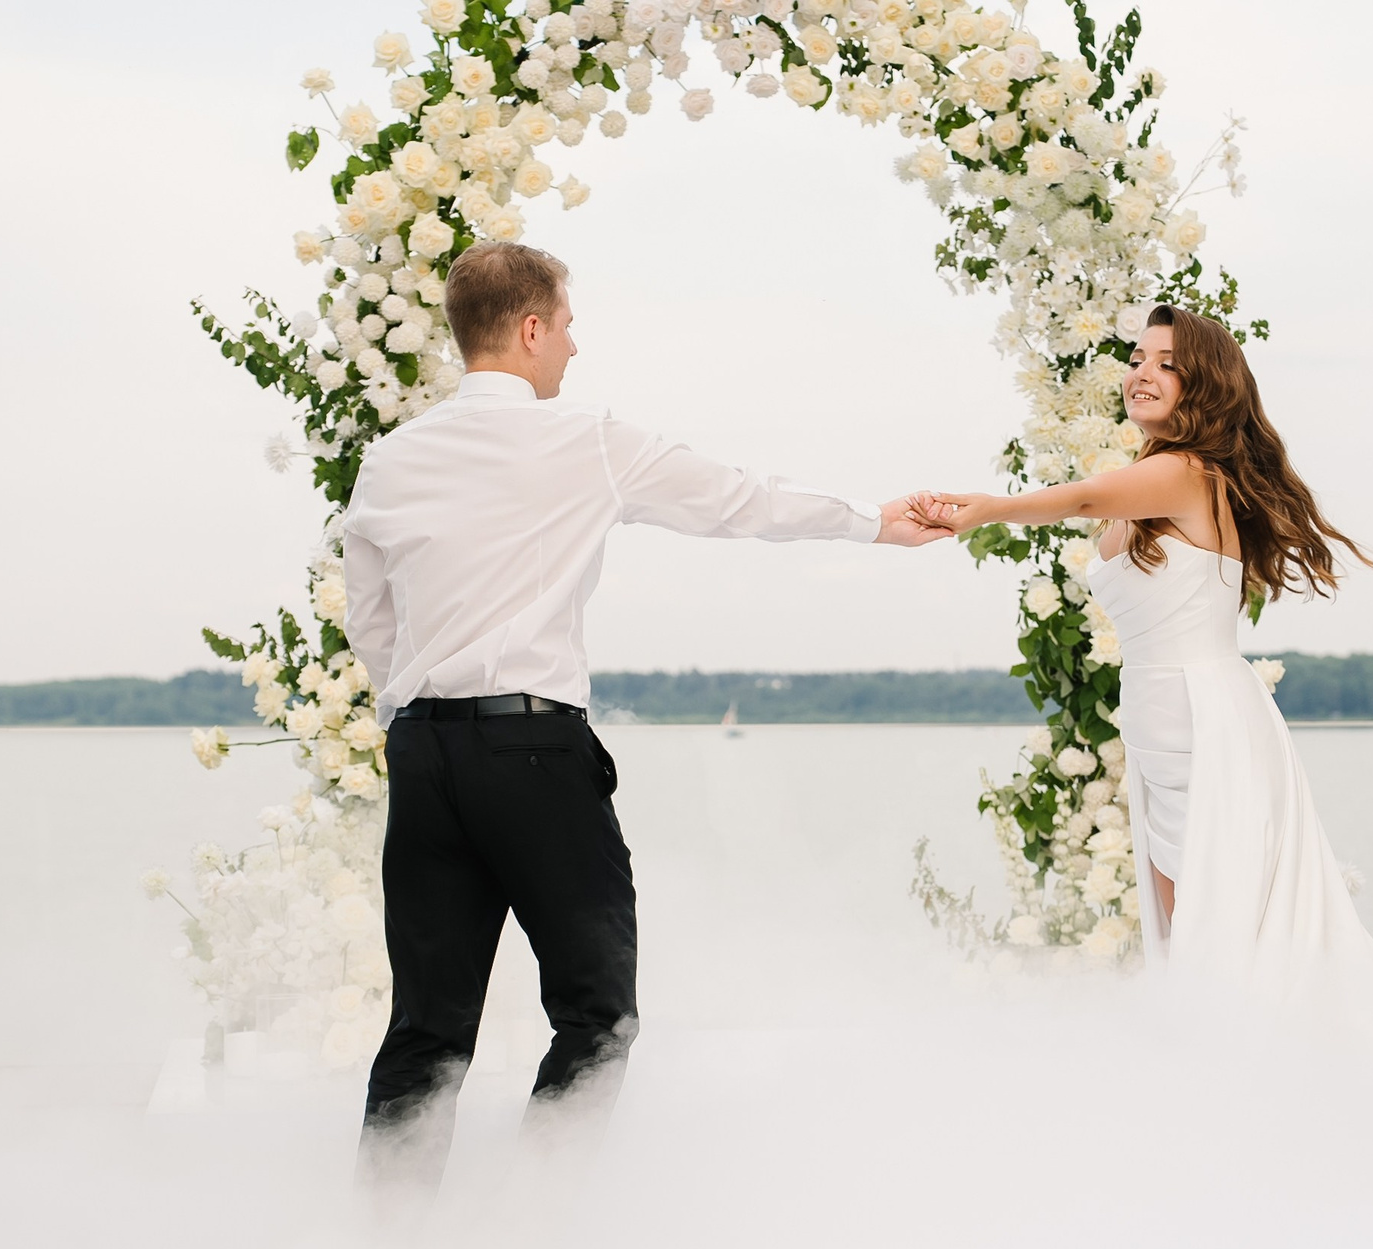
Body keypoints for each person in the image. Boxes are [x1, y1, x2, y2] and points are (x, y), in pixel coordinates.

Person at [340, 241, 950, 1190]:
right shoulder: (585, 437)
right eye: (567, 326)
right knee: (597, 1014)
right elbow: (737, 501)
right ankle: (535, 1219)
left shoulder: (388, 460)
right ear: (531, 328)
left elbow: (370, 622)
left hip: (422, 753)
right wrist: (874, 520)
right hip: (532, 752)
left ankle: (386, 1244)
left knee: (426, 1026)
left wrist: (417, 718)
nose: (573, 347)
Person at [912, 305, 1373, 1032]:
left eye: (1167, 364)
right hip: (1161, 723)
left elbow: (1082, 497)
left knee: (1222, 934)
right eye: (1138, 358)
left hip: (1207, 724)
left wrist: (989, 508)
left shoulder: (1189, 473)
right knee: (1185, 933)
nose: (1142, 372)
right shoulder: (1160, 474)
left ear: (1205, 385)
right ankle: (1212, 1075)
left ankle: (1264, 1075)